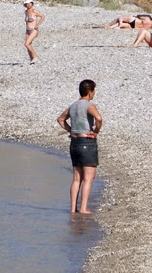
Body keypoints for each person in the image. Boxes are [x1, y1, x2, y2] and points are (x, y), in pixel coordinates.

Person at [57, 80, 103, 214]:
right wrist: (95, 132)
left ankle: (73, 209)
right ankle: (83, 209)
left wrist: (71, 130)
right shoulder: (89, 105)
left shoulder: (73, 106)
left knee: (77, 178)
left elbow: (60, 119)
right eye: (94, 91)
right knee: (89, 178)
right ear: (90, 92)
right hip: (87, 143)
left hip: (74, 144)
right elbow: (99, 119)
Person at [23, 0, 45, 64]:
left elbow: (42, 16)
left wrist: (38, 24)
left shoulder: (34, 11)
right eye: (27, 4)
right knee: (29, 45)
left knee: (26, 44)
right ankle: (31, 59)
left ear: (32, 4)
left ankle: (35, 57)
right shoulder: (26, 12)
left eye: (29, 3)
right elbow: (27, 22)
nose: (28, 5)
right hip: (28, 31)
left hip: (34, 30)